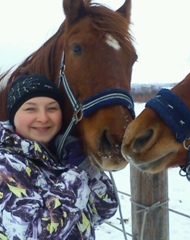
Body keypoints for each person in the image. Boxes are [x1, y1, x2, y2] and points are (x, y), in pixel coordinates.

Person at [0, 74, 118, 240]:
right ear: (13, 115)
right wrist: (77, 174)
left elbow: (105, 209)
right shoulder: (5, 164)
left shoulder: (58, 157)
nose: (43, 118)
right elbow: (37, 235)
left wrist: (88, 167)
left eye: (52, 108)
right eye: (30, 109)